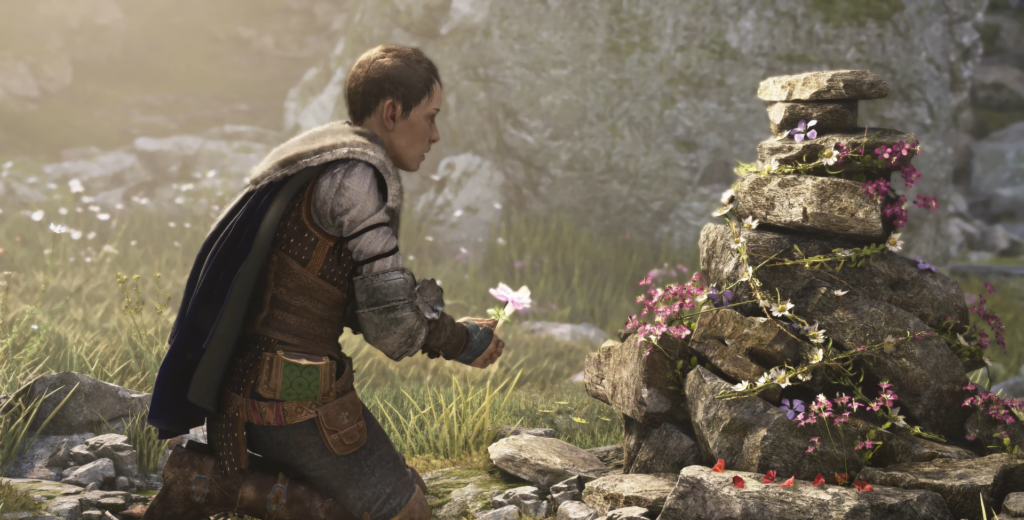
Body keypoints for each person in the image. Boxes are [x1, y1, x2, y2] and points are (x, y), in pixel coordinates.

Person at [144, 45, 505, 520]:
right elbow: (391, 324)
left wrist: (451, 331)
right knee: (405, 511)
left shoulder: (324, 158)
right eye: (430, 117)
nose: (436, 135)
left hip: (254, 382)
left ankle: (214, 484)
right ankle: (204, 483)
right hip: (291, 391)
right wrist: (460, 341)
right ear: (393, 112)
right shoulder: (356, 178)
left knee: (400, 484)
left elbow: (350, 299)